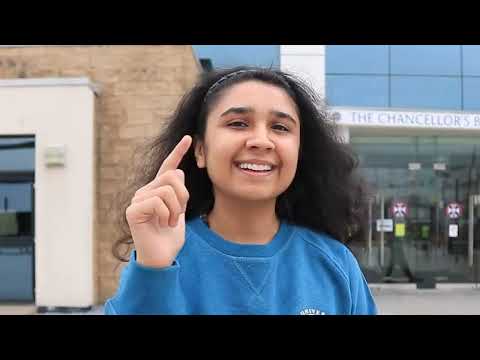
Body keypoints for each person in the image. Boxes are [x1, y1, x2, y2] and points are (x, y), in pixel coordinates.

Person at [105, 66, 378, 315]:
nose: (261, 141)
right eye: (238, 123)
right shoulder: (161, 258)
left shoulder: (334, 265)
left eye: (280, 127)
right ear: (200, 150)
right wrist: (154, 269)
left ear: (299, 153)